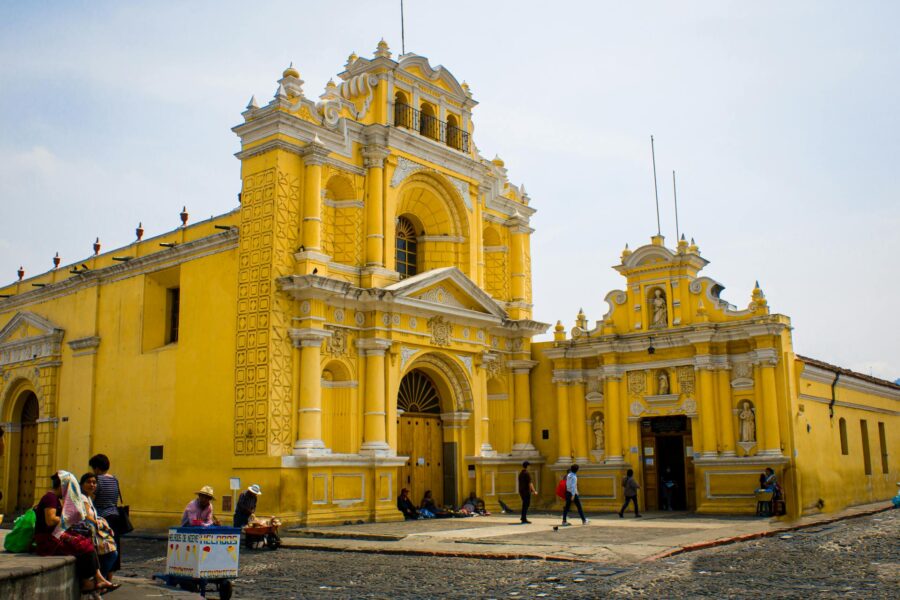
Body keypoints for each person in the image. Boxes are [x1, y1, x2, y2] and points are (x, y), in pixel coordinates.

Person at [33, 472, 118, 597]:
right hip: (48, 539)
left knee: (86, 543)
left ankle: (96, 579)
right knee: (83, 545)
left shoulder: (55, 498)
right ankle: (88, 582)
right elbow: (50, 520)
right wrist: (70, 518)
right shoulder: (50, 498)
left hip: (53, 535)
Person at [79, 472, 119, 579]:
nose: (92, 485)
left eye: (94, 482)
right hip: (89, 534)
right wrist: (99, 523)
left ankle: (100, 580)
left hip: (94, 532)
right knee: (111, 554)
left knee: (111, 552)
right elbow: (87, 516)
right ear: (81, 484)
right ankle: (100, 580)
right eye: (88, 482)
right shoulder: (83, 498)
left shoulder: (88, 498)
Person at [90, 453, 124, 574]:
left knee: (103, 549)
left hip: (103, 517)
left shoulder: (98, 480)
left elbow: (92, 498)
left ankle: (102, 577)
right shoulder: (114, 479)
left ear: (97, 468)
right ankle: (110, 578)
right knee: (113, 546)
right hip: (115, 515)